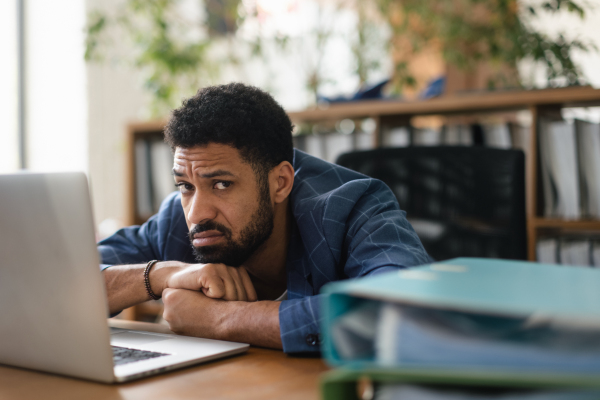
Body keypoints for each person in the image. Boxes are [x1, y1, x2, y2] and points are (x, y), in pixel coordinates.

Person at [99, 83, 431, 353]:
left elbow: (403, 311)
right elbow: (61, 283)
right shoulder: (178, 215)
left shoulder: (354, 206)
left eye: (222, 184)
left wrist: (222, 320)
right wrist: (158, 275)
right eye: (185, 185)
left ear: (280, 183)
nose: (197, 213)